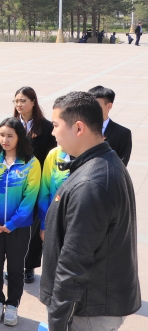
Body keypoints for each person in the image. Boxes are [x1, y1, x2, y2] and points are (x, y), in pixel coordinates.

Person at [42, 92, 140, 331]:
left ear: (78, 128)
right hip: (93, 303)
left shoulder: (91, 183)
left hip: (87, 310)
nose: (52, 132)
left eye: (56, 125)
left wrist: (58, 321)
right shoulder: (103, 161)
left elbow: (74, 260)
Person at [0, 118, 40, 326]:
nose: (4, 140)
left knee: (15, 268)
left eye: (10, 136)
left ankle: (13, 304)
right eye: (2, 135)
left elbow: (30, 198)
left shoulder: (31, 163)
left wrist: (13, 223)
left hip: (18, 228)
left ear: (19, 137)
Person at [13, 86, 56, 284]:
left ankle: (29, 266)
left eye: (23, 100)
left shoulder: (46, 127)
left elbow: (49, 157)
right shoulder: (12, 124)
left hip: (37, 184)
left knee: (33, 226)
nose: (19, 104)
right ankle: (14, 264)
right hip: (14, 184)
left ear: (33, 102)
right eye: (16, 101)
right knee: (16, 225)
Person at [88, 86, 132, 166]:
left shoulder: (122, 133)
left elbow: (121, 164)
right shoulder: (81, 128)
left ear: (109, 106)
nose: (91, 107)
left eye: (96, 104)